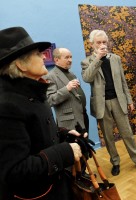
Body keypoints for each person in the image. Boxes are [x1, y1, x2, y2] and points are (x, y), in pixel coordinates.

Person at [0, 27, 84, 199]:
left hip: (55, 186)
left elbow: (35, 133)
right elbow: (15, 170)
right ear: (20, 64)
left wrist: (64, 134)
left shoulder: (33, 91)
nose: (44, 56)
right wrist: (64, 152)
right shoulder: (6, 106)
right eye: (38, 54)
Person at [81, 29, 136, 176]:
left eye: (104, 42)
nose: (102, 45)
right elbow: (87, 78)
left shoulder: (115, 58)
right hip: (102, 104)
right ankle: (115, 162)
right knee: (108, 137)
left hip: (118, 101)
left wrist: (129, 100)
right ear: (92, 44)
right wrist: (98, 59)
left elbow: (123, 82)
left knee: (127, 133)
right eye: (98, 42)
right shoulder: (86, 62)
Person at [44, 47, 90, 177]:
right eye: (66, 57)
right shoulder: (51, 76)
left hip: (81, 115)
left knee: (84, 146)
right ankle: (74, 177)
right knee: (73, 150)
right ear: (57, 59)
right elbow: (50, 99)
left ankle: (83, 172)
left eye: (71, 57)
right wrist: (67, 88)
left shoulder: (72, 74)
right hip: (69, 121)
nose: (70, 60)